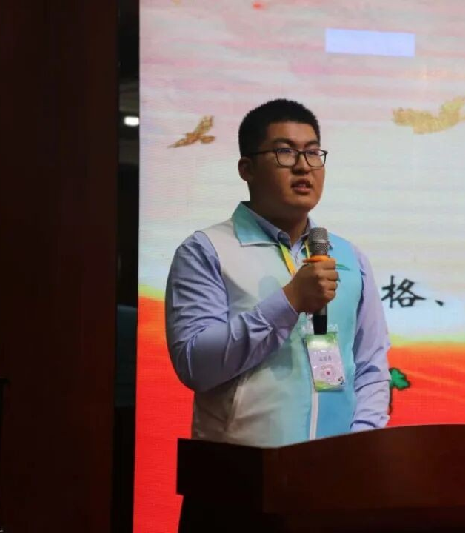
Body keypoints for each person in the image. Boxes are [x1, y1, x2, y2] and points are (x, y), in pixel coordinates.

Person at [165, 99, 391, 450]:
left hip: (336, 470)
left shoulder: (349, 257)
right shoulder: (207, 250)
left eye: (313, 153)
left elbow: (371, 367)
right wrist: (289, 302)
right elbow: (196, 365)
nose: (303, 167)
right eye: (285, 152)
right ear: (247, 169)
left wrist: (358, 447)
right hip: (243, 469)